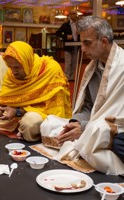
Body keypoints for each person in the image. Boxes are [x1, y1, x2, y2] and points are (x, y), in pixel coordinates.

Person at [47, 16, 124, 175]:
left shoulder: (121, 66)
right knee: (49, 124)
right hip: (96, 126)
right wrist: (76, 123)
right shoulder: (93, 68)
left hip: (115, 129)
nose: (82, 49)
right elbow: (90, 107)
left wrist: (85, 128)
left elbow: (117, 116)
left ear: (103, 41)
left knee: (99, 133)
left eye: (86, 43)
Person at [0, 41, 72, 142]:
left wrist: (18, 111)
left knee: (29, 122)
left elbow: (52, 107)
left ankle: (30, 133)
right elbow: (1, 103)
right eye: (10, 67)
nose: (13, 72)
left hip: (46, 113)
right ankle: (22, 129)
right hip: (17, 112)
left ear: (27, 62)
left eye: (17, 67)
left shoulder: (50, 70)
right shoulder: (11, 74)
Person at [56, 10, 79, 81]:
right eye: (73, 14)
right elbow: (58, 33)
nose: (74, 15)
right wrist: (66, 36)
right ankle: (67, 77)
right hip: (68, 46)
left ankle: (72, 77)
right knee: (68, 63)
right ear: (70, 15)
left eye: (75, 14)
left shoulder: (79, 25)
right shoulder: (65, 25)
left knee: (74, 62)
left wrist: (80, 33)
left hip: (76, 45)